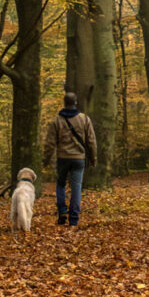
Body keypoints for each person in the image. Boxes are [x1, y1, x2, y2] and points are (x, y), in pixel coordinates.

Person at [42, 92, 97, 226]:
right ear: (76, 102)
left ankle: (62, 211)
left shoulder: (57, 120)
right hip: (79, 159)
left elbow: (50, 143)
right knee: (76, 187)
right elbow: (91, 141)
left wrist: (46, 160)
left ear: (64, 103)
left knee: (60, 184)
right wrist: (93, 158)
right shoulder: (84, 119)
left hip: (62, 158)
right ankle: (73, 219)